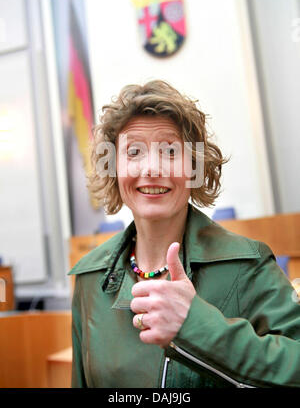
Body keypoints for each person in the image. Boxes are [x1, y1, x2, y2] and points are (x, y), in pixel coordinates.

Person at [68, 80, 300, 388]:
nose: (151, 168)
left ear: (194, 166)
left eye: (169, 151)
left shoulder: (248, 265)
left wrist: (196, 326)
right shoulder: (89, 277)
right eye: (134, 152)